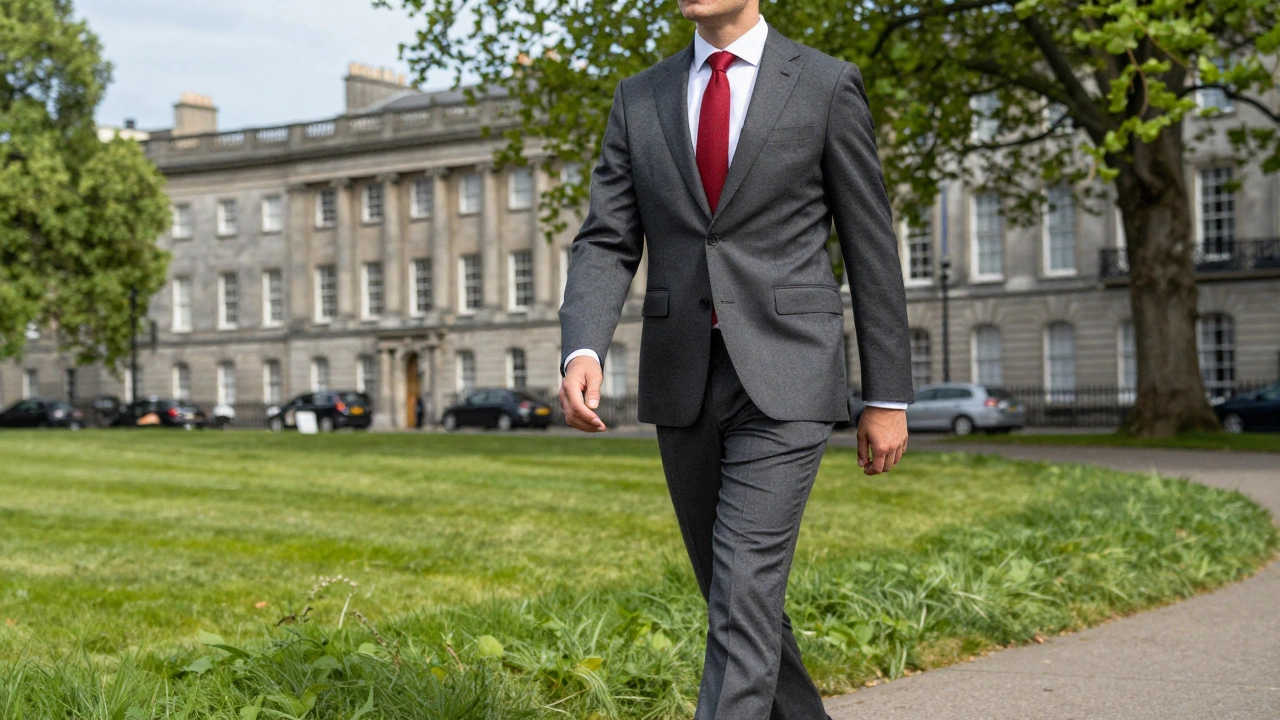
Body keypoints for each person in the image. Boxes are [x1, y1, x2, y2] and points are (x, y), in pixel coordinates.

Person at [558, 0, 913, 717]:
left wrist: (887, 396)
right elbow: (606, 238)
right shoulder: (640, 96)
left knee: (744, 585)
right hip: (681, 376)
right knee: (734, 596)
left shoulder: (824, 84)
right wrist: (584, 344)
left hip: (789, 374)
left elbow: (870, 245)